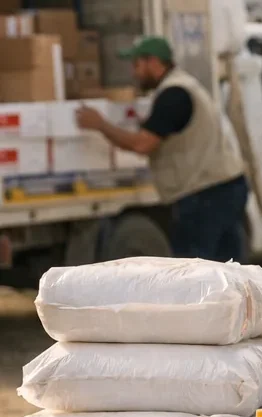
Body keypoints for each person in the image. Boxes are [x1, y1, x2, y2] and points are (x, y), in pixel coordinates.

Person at [75, 36, 249, 263]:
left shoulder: (174, 95)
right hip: (224, 186)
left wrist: (101, 125)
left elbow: (142, 144)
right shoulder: (183, 86)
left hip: (205, 195)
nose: (134, 73)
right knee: (227, 268)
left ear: (155, 62)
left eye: (137, 65)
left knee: (195, 268)